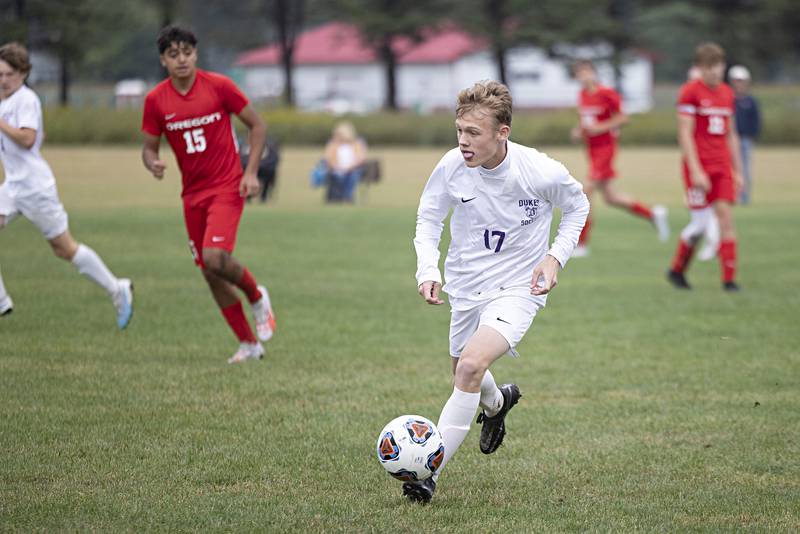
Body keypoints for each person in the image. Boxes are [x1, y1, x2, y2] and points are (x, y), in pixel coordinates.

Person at [407, 81, 589, 503]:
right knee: (463, 374)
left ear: (502, 132)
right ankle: (498, 403)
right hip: (467, 286)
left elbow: (578, 205)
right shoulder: (451, 166)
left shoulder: (538, 170)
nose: (463, 141)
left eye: (474, 133)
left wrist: (554, 258)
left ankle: (427, 474)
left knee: (469, 367)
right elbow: (428, 219)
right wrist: (427, 269)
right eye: (459, 131)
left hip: (519, 287)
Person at [141, 26, 276, 363]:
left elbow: (257, 126)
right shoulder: (156, 100)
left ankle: (256, 296)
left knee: (215, 257)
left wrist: (250, 172)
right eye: (173, 54)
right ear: (163, 60)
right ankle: (249, 344)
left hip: (227, 186)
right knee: (209, 271)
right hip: (192, 195)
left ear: (196, 55)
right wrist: (153, 162)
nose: (181, 59)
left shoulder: (219, 87)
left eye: (187, 52)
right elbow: (148, 148)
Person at [0, 42, 133, 327]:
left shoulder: (26, 99)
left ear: (23, 73)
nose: (3, 79)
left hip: (35, 188)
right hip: (14, 186)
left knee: (64, 248)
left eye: (8, 74)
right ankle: (1, 301)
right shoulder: (7, 102)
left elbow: (26, 139)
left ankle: (117, 288)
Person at [570, 59, 669, 257]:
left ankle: (582, 244)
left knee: (586, 191)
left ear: (593, 73)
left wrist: (601, 128)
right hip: (592, 150)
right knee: (611, 197)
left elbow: (623, 118)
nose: (584, 76)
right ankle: (653, 214)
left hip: (606, 149)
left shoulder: (607, 93)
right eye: (580, 73)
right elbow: (587, 121)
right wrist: (579, 131)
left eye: (587, 71)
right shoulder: (581, 95)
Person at [667, 42, 744, 292]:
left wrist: (738, 170)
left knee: (726, 218)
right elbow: (685, 134)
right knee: (700, 226)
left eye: (718, 66)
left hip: (722, 167)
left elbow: (732, 134)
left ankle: (729, 280)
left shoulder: (727, 93)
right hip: (698, 168)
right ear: (700, 68)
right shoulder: (690, 92)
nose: (715, 72)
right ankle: (677, 269)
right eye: (709, 67)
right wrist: (696, 170)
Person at [729, 65, 760, 205]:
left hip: (745, 140)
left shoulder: (750, 101)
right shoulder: (728, 99)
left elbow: (756, 120)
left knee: (745, 170)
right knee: (729, 169)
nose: (738, 83)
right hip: (728, 140)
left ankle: (744, 198)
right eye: (736, 80)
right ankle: (730, 196)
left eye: (741, 80)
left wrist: (752, 135)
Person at [323, 121, 366, 203]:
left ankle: (347, 197)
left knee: (352, 175)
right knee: (336, 176)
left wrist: (350, 167)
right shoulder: (333, 144)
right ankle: (338, 197)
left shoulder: (356, 144)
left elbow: (361, 158)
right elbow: (328, 158)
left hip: (352, 169)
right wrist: (336, 167)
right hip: (336, 169)